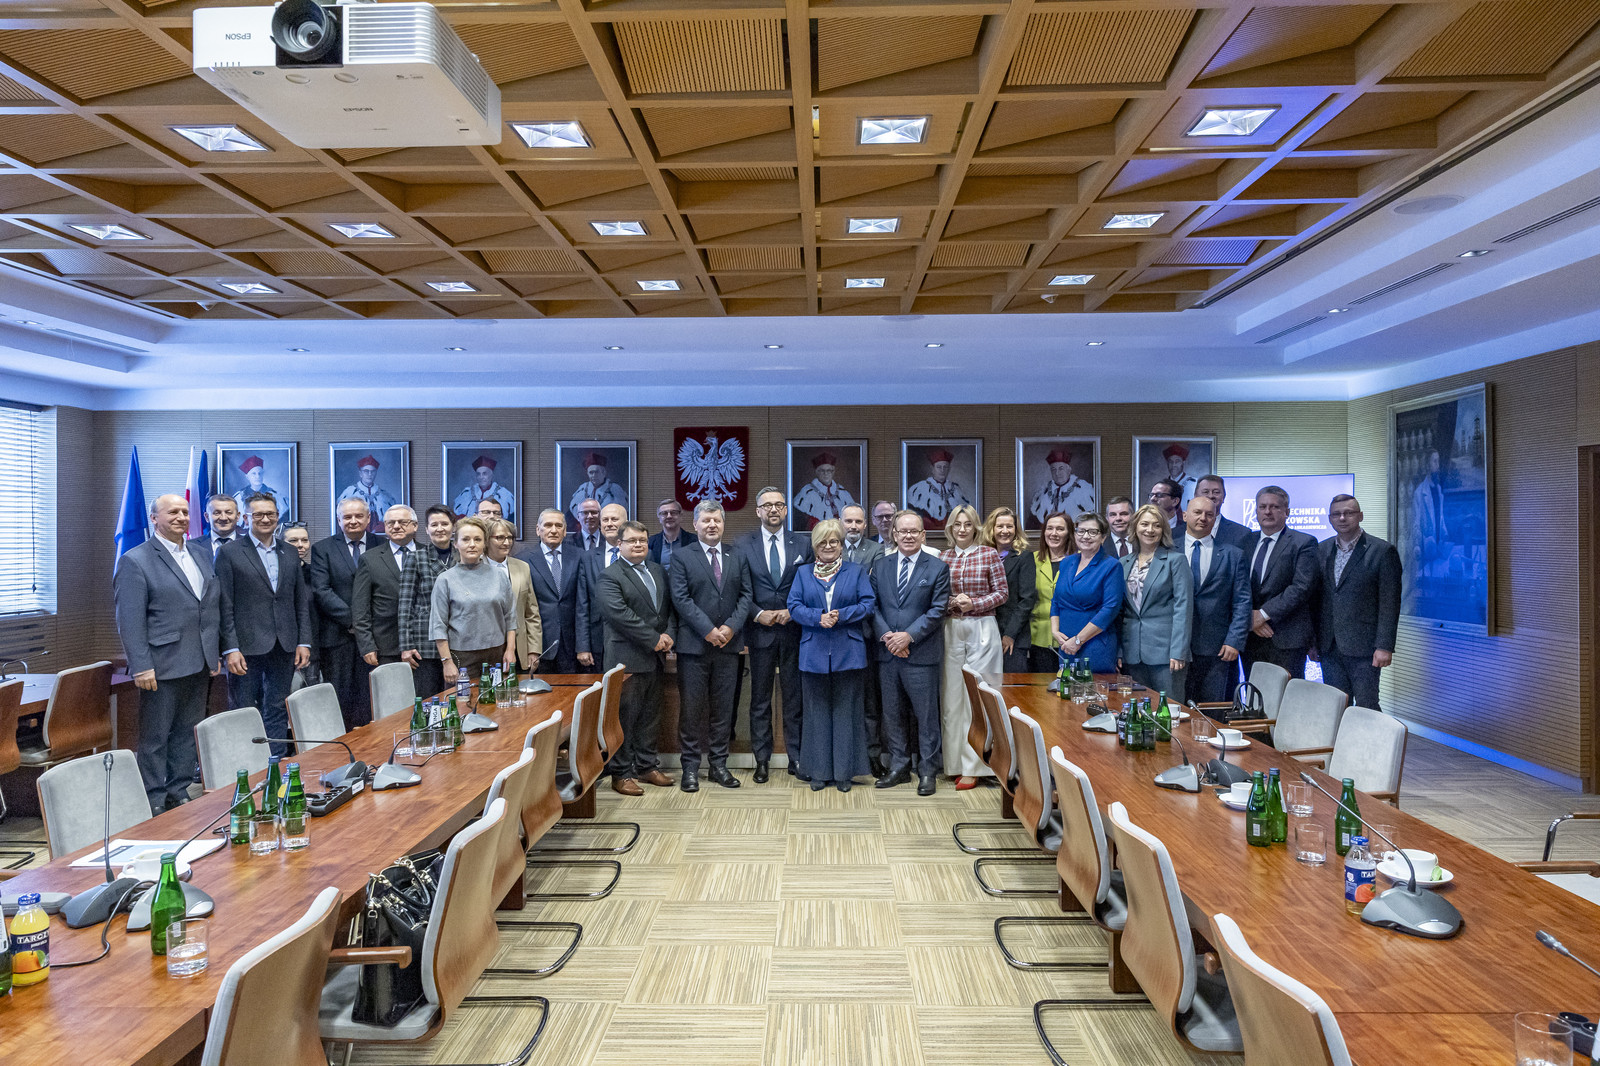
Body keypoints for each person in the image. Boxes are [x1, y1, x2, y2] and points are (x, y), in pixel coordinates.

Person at [114, 493, 221, 811]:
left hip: (198, 660)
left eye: (185, 512)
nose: (181, 517)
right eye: (172, 512)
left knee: (187, 732)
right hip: (160, 664)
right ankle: (153, 798)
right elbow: (129, 620)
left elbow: (208, 606)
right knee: (156, 737)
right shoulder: (136, 560)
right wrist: (141, 665)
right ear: (154, 518)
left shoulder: (200, 553)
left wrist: (213, 652)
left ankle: (178, 789)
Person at [667, 500, 753, 793]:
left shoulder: (737, 555)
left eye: (717, 520)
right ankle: (690, 768)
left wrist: (730, 627)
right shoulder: (681, 557)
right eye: (706, 520)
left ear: (723, 523)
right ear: (695, 524)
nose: (712, 525)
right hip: (694, 647)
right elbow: (681, 599)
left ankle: (719, 766)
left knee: (723, 710)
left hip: (729, 646)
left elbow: (746, 596)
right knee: (691, 710)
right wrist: (708, 630)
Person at [217, 493, 311, 758]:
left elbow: (300, 601)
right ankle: (248, 763)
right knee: (245, 710)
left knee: (277, 707)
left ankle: (276, 763)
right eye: (258, 514)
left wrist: (303, 641)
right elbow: (224, 604)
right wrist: (230, 648)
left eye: (271, 514)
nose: (266, 519)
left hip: (284, 644)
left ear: (278, 517)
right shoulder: (229, 553)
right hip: (245, 647)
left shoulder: (289, 551)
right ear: (245, 518)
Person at [788, 519, 876, 792]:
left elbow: (868, 603)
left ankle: (843, 774)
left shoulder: (856, 571)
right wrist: (818, 618)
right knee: (816, 714)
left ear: (841, 545)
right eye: (823, 542)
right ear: (815, 546)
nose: (828, 546)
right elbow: (794, 606)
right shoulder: (803, 573)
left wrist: (841, 615)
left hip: (848, 652)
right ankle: (818, 772)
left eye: (834, 542)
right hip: (813, 652)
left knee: (846, 713)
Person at [870, 510, 950, 796]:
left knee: (926, 717)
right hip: (888, 654)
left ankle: (927, 771)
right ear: (894, 534)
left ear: (923, 535)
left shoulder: (937, 567)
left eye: (914, 531)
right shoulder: (880, 565)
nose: (908, 536)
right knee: (892, 714)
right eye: (902, 531)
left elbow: (938, 610)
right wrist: (888, 637)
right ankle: (899, 767)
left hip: (922, 655)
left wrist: (908, 636)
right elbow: (872, 605)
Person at [736, 486, 811, 783]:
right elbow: (739, 589)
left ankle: (796, 757)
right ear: (758, 511)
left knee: (795, 698)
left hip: (794, 631)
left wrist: (794, 611)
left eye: (779, 504)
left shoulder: (802, 544)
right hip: (760, 631)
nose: (773, 509)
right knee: (759, 700)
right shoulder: (743, 544)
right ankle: (762, 760)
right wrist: (757, 613)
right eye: (767, 505)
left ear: (786, 510)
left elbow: (809, 585)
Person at [596, 520, 676, 794]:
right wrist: (654, 639)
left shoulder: (657, 570)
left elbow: (667, 609)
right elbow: (619, 615)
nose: (639, 545)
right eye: (632, 541)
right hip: (625, 659)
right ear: (619, 544)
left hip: (655, 659)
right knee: (623, 719)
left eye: (643, 540)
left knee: (650, 716)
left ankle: (647, 766)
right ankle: (621, 773)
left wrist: (669, 634)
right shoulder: (610, 575)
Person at [938, 504, 1006, 789]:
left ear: (976, 527)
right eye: (957, 524)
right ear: (950, 528)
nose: (962, 529)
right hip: (951, 628)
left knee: (978, 696)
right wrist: (952, 602)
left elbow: (1002, 593)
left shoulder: (989, 554)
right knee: (952, 697)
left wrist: (974, 603)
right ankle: (955, 762)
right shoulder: (942, 557)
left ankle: (977, 765)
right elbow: (935, 596)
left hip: (983, 628)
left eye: (967, 524)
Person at [1315, 495, 1401, 711]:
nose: (1342, 518)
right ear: (1330, 519)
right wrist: (1313, 642)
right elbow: (1316, 600)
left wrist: (1384, 646)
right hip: (1329, 646)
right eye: (1336, 514)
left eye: (1349, 513)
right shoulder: (1321, 550)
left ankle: (1373, 737)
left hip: (1365, 648)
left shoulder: (1382, 551)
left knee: (1366, 706)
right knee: (1335, 706)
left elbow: (1390, 603)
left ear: (1360, 516)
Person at [309, 498, 384, 729]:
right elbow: (322, 591)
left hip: (377, 637)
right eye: (347, 517)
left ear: (369, 518)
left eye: (359, 516)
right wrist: (356, 622)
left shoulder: (383, 545)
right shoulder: (323, 549)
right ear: (338, 520)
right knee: (341, 699)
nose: (353, 521)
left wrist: (366, 627)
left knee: (372, 698)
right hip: (338, 637)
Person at [1181, 495, 1252, 704]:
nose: (1203, 518)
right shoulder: (1167, 551)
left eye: (1209, 514)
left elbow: (1242, 602)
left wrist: (1234, 640)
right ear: (1185, 515)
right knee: (1177, 707)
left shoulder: (1233, 555)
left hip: (1217, 648)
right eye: (1197, 512)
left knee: (1212, 709)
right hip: (1175, 646)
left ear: (1215, 518)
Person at [1117, 504, 1193, 699]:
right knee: (1136, 709)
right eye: (1144, 524)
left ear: (1163, 530)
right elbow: (1119, 611)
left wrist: (1179, 651)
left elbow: (1183, 608)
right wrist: (1118, 651)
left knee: (1169, 709)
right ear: (1135, 527)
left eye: (1156, 525)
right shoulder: (1123, 563)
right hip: (1132, 653)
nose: (1150, 530)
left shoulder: (1176, 560)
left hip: (1166, 654)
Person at [1244, 485, 1319, 679]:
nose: (1267, 511)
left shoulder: (1304, 543)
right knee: (1254, 693)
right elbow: (1237, 586)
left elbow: (1302, 587)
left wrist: (1262, 614)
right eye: (1262, 507)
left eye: (1274, 507)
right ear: (1256, 511)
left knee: (1287, 695)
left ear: (1287, 512)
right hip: (1250, 636)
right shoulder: (1245, 541)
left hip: (1287, 638)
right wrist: (1250, 618)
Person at [430, 516, 515, 685]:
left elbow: (510, 617)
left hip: (496, 655)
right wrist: (446, 662)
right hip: (462, 657)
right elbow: (438, 625)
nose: (472, 544)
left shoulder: (499, 575)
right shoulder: (445, 579)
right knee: (463, 701)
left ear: (484, 544)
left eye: (477, 539)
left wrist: (510, 650)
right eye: (466, 539)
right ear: (456, 543)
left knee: (496, 700)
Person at [1049, 512, 1124, 674]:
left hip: (1094, 643)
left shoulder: (1112, 566)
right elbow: (1056, 601)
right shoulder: (1067, 562)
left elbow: (1110, 610)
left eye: (1092, 532)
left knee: (1093, 688)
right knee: (1066, 687)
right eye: (1081, 531)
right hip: (1066, 643)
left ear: (1103, 537)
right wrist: (1055, 631)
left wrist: (1078, 640)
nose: (1085, 536)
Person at [841, 504, 886, 773]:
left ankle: (872, 756)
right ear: (841, 523)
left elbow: (873, 590)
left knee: (870, 700)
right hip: (836, 635)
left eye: (858, 522)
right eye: (849, 521)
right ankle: (844, 755)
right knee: (843, 699)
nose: (853, 526)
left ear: (865, 525)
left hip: (866, 635)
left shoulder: (876, 550)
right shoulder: (831, 547)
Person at [398, 504, 457, 699]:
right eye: (434, 524)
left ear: (453, 527)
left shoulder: (462, 556)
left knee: (458, 698)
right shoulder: (416, 558)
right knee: (429, 699)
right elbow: (405, 605)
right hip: (425, 642)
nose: (439, 529)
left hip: (458, 638)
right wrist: (406, 645)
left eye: (444, 524)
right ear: (426, 529)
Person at [352, 505, 417, 680]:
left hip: (423, 645)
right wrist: (367, 646)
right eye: (390, 523)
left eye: (402, 522)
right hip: (385, 648)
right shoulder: (369, 559)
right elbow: (360, 608)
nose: (396, 526)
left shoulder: (428, 554)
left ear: (415, 526)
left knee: (427, 695)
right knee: (391, 696)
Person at [522, 508, 582, 674]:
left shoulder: (579, 556)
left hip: (572, 644)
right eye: (548, 525)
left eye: (558, 525)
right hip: (539, 644)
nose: (553, 530)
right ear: (538, 530)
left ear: (565, 531)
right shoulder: (523, 560)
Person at [984, 506, 1037, 675]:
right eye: (1000, 526)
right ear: (992, 529)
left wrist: (1010, 634)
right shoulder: (982, 555)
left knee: (1012, 686)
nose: (1005, 531)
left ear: (1016, 529)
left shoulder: (1024, 557)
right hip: (985, 633)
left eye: (1009, 526)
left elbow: (1027, 600)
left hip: (1013, 636)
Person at [486, 517, 543, 673]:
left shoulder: (522, 567)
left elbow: (531, 613)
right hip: (487, 648)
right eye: (500, 537)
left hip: (519, 648)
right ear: (487, 539)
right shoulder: (476, 567)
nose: (506, 542)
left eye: (510, 537)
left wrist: (534, 650)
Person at [576, 502, 628, 673]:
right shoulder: (588, 557)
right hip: (598, 639)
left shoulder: (638, 554)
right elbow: (582, 604)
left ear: (625, 523)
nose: (609, 524)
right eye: (605, 520)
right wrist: (583, 646)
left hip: (631, 638)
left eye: (614, 519)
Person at [1027, 513, 1073, 673]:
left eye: (1060, 529)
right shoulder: (1031, 560)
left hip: (1070, 636)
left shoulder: (1080, 561)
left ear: (1069, 533)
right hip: (1038, 638)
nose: (1054, 533)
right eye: (1050, 528)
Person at [282, 522, 319, 690]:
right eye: (293, 540)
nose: (300, 545)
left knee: (310, 698)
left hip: (311, 648)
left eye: (304, 540)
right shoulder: (274, 574)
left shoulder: (316, 573)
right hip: (281, 648)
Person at [906, 448, 970, 531]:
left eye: (945, 467)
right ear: (932, 469)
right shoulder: (920, 488)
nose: (942, 470)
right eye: (939, 467)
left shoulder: (956, 489)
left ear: (949, 469)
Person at [1029, 449, 1095, 523]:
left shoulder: (1083, 488)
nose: (1057, 473)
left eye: (1061, 468)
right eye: (1053, 469)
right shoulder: (1043, 492)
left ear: (1068, 470)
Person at [337, 454, 397, 535]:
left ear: (376, 473)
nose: (369, 474)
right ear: (360, 473)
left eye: (373, 471)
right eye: (366, 471)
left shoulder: (385, 496)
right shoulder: (349, 492)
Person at [792, 452, 857, 527]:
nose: (826, 474)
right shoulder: (807, 491)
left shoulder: (842, 492)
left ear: (833, 472)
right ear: (816, 472)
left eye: (829, 470)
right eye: (822, 470)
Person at [568, 451, 628, 528]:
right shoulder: (583, 488)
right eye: (591, 473)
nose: (594, 475)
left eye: (596, 472)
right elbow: (574, 509)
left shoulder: (615, 489)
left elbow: (622, 512)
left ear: (604, 473)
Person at [1194, 474, 1253, 553]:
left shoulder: (1241, 534)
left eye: (1216, 492)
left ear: (1224, 497)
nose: (1211, 496)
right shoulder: (1179, 532)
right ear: (1195, 496)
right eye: (1206, 492)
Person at [452, 454, 515, 524]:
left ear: (491, 475)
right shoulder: (466, 493)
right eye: (478, 474)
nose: (481, 477)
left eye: (485, 474)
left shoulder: (504, 494)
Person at [648, 498, 695, 569]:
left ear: (680, 516)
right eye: (664, 513)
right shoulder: (650, 542)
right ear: (659, 518)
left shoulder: (694, 541)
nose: (669, 516)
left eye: (673, 512)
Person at [192, 494, 240, 562]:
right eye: (217, 513)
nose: (223, 518)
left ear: (237, 516)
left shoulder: (251, 545)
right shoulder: (192, 546)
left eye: (228, 513)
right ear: (207, 517)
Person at [1161, 443, 1199, 507]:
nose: (1174, 465)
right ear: (1167, 463)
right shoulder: (1162, 486)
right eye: (1171, 462)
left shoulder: (1195, 484)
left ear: (1183, 462)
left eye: (1177, 461)